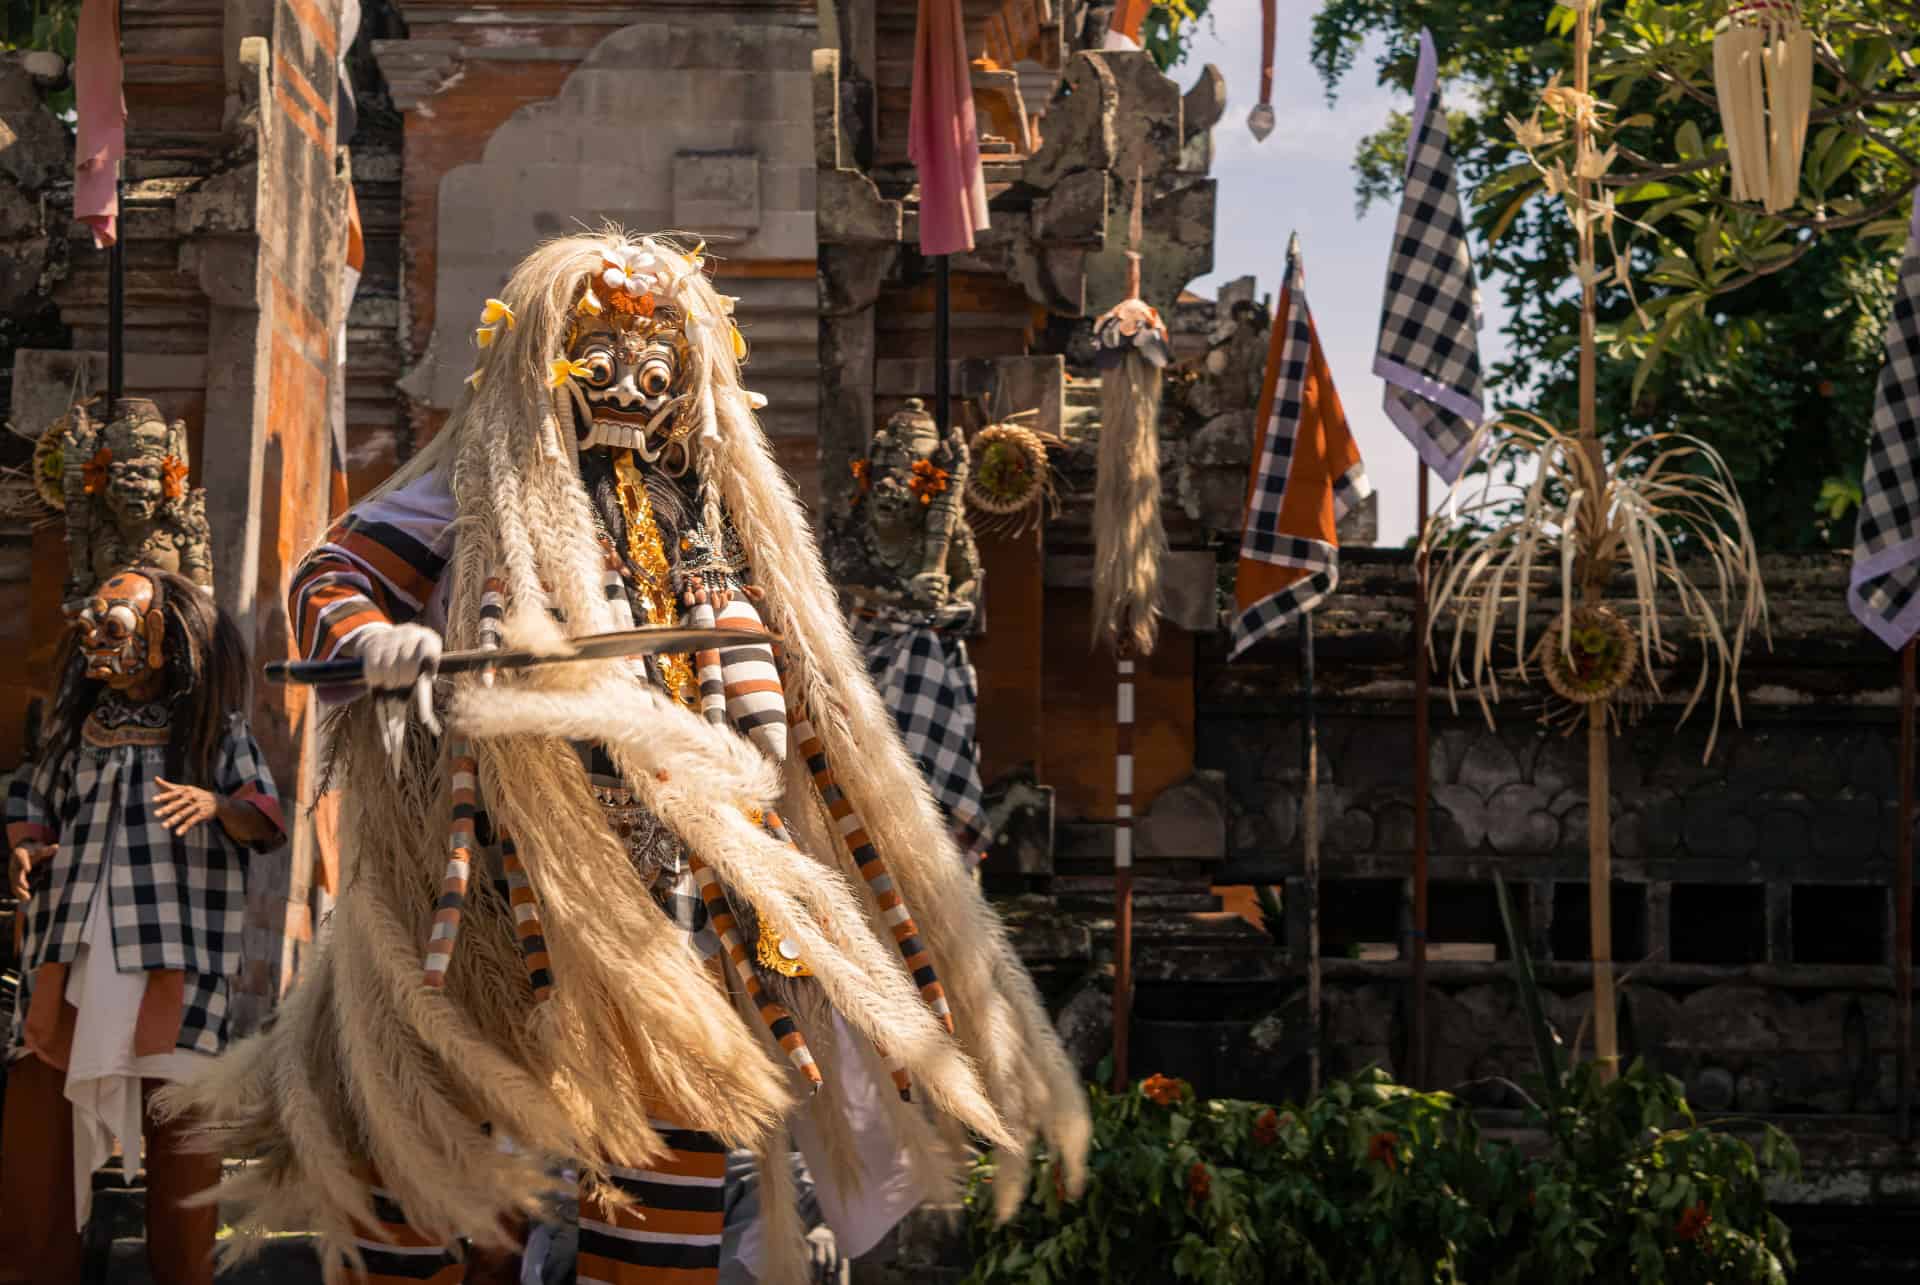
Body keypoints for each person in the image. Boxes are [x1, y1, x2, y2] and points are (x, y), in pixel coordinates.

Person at [163, 229, 1088, 1284]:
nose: (629, 387)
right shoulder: (474, 492)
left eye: (657, 368)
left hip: (673, 906)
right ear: (542, 368)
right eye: (598, 360)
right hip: (482, 896)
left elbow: (787, 697)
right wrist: (374, 642)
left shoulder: (721, 531)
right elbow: (333, 576)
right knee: (413, 1157)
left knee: (666, 1163)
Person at [1, 567, 285, 1285]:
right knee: (38, 1133)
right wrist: (26, 845)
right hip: (68, 952)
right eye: (90, 626)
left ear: (165, 636)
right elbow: (31, 799)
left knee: (183, 1144)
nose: (97, 642)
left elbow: (265, 815)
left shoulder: (215, 732)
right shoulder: (73, 732)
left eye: (115, 626)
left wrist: (217, 805)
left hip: (175, 964)